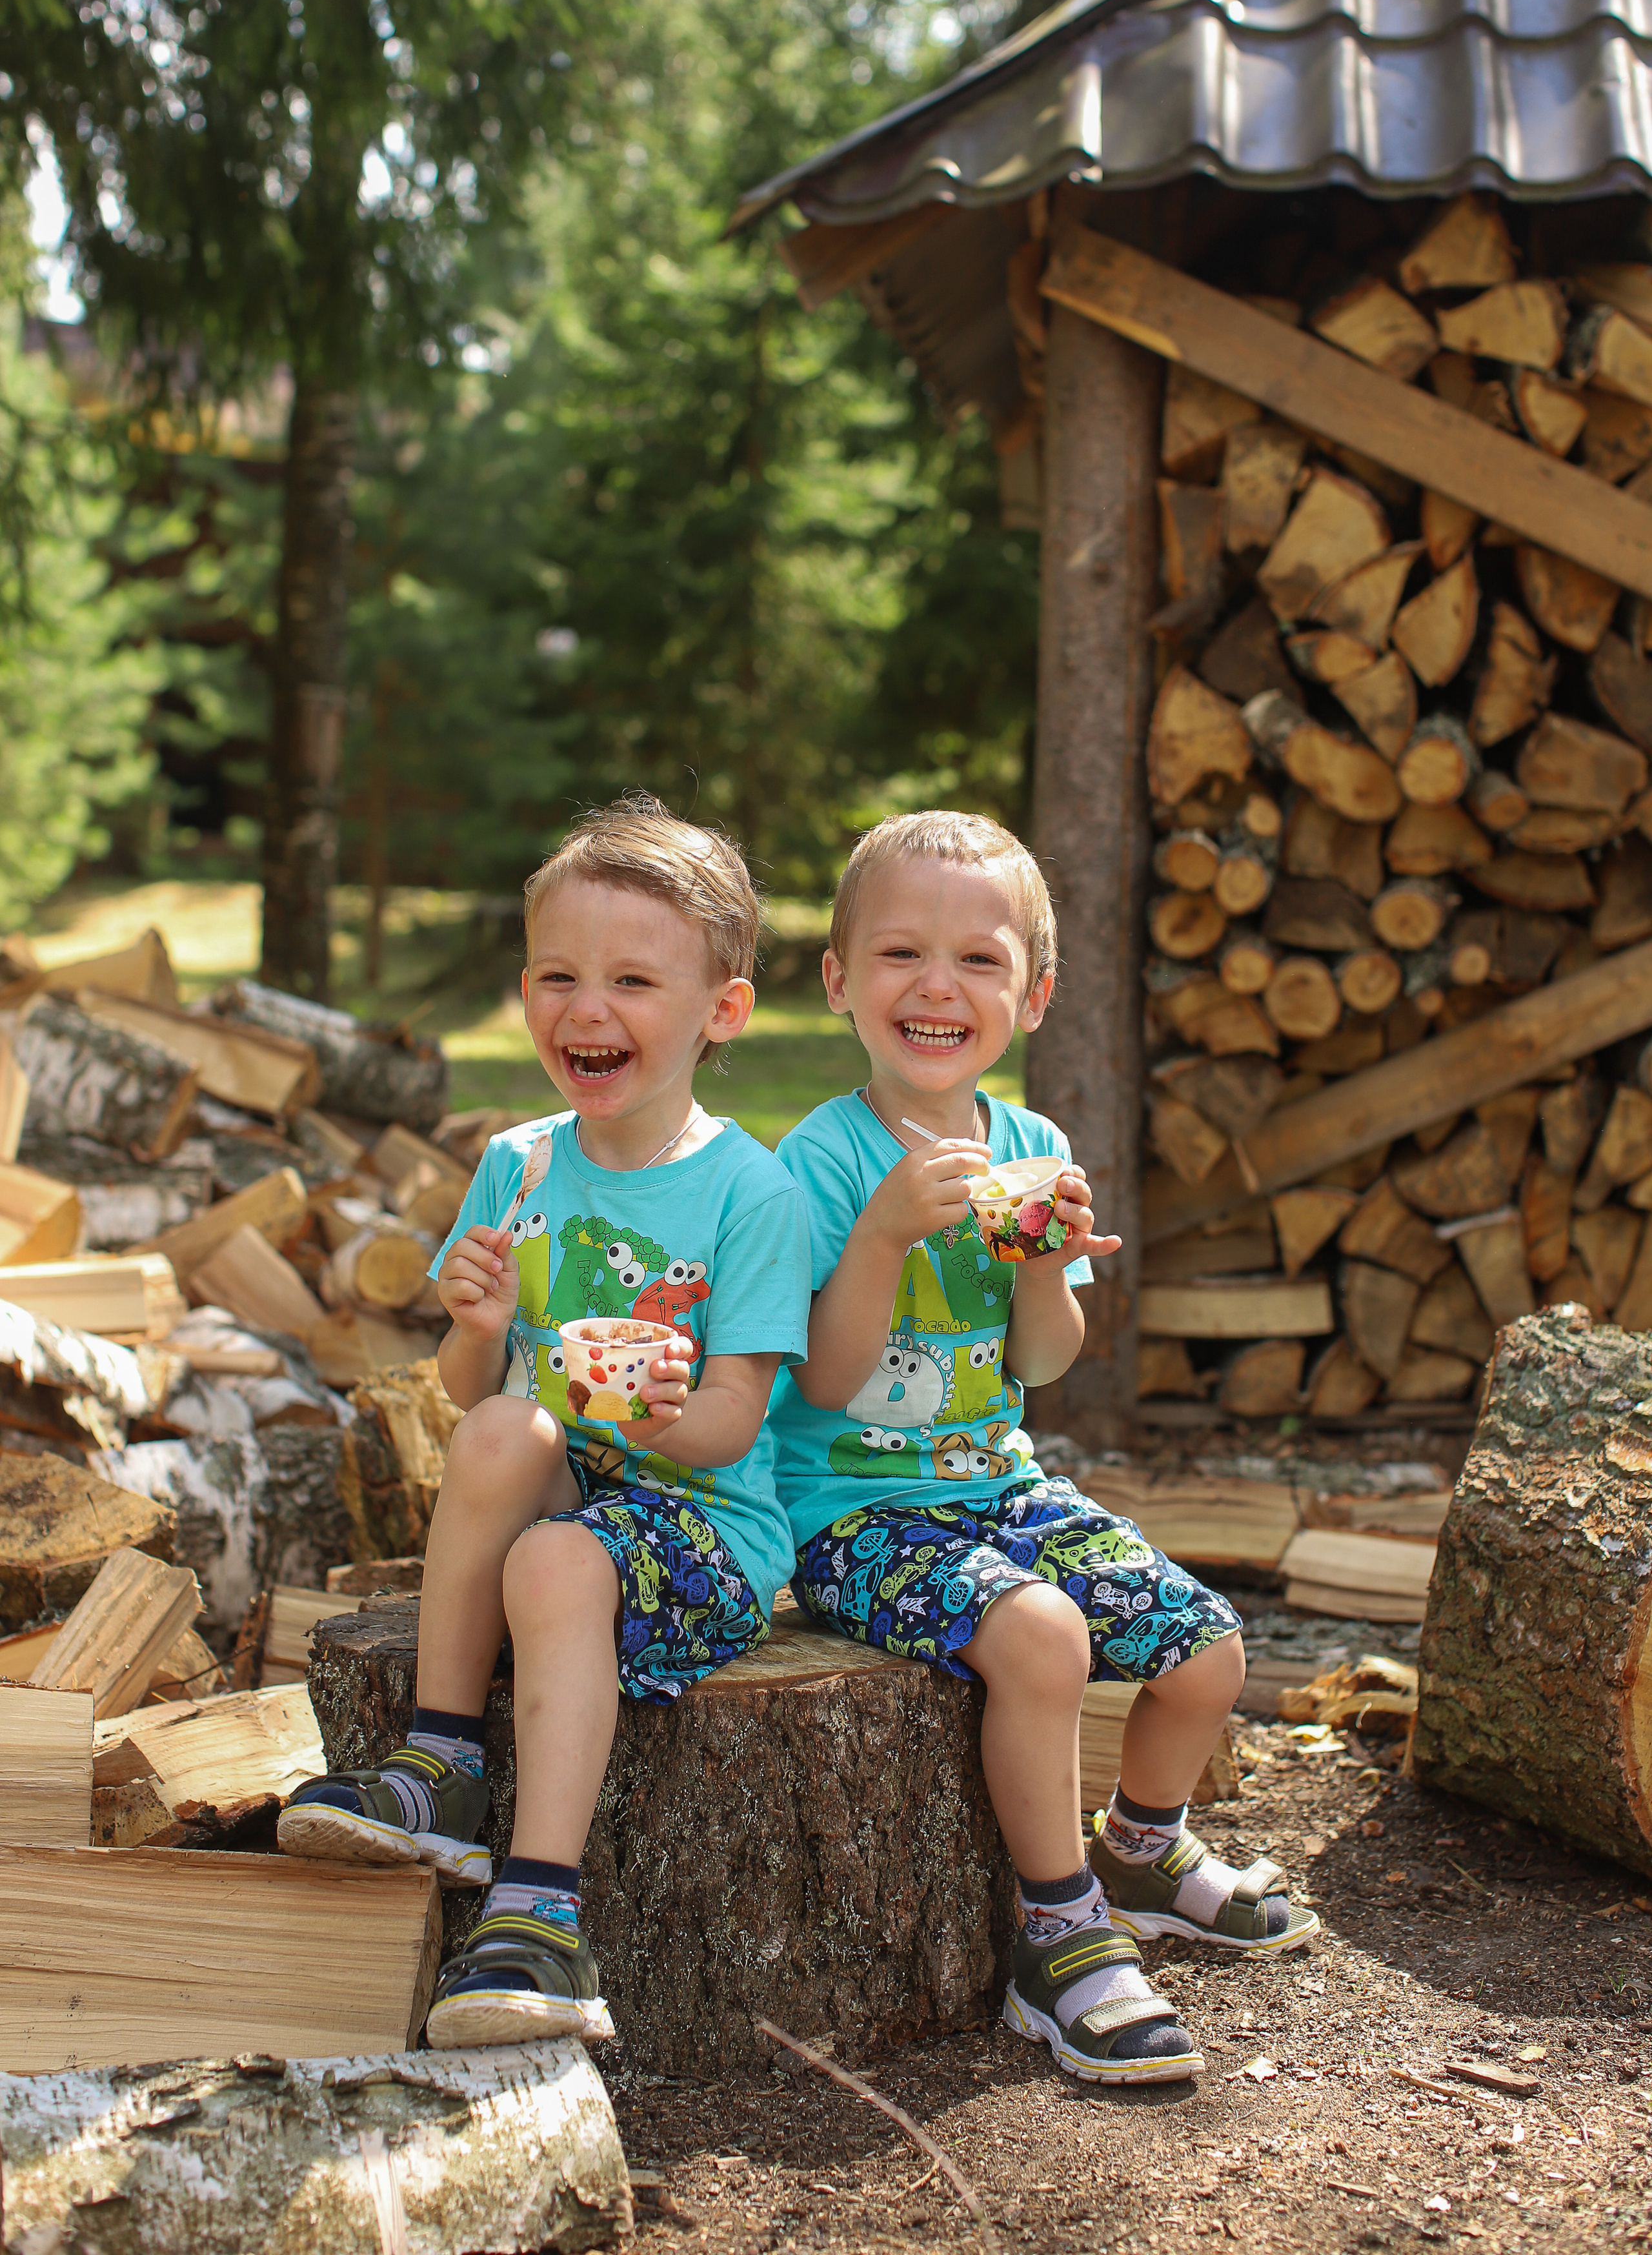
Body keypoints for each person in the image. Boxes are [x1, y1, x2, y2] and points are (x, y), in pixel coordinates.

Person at [767, 810, 1317, 2088]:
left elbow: (1046, 1364)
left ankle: (1144, 1848)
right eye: (900, 954)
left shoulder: (1034, 1148)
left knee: (1208, 1650)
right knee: (1045, 1640)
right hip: (852, 1515)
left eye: (979, 961)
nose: (937, 986)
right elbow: (827, 1377)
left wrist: (1039, 1268)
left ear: (1032, 994)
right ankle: (1059, 1936)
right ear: (841, 981)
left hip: (998, 1485)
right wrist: (882, 1240)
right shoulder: (820, 1162)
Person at [278, 797, 811, 2052]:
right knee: (498, 1435)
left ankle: (539, 1916)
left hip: (703, 1520)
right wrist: (471, 1320)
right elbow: (476, 1395)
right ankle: (441, 1759)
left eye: (632, 980)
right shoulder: (517, 1163)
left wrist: (665, 1413)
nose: (588, 1009)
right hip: (567, 1485)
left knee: (553, 1555)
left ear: (718, 1011)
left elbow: (734, 1427)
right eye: (559, 976)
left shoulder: (752, 1192)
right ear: (523, 990)